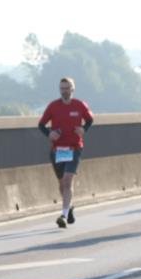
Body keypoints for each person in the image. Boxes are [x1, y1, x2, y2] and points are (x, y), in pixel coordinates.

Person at [38, 77, 94, 228]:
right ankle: (68, 208)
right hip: (58, 150)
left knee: (68, 180)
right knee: (62, 184)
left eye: (67, 88)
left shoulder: (80, 105)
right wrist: (49, 134)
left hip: (74, 147)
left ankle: (63, 215)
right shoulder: (53, 106)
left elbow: (90, 120)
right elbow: (41, 124)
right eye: (62, 88)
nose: (64, 91)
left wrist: (84, 129)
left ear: (73, 89)